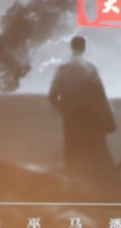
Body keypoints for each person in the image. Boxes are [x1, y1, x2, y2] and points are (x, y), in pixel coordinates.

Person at [49, 35, 116, 179]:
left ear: (71, 47)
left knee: (71, 151)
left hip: (71, 117)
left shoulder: (63, 69)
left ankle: (70, 182)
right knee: (91, 152)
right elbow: (100, 95)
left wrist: (64, 110)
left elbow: (53, 96)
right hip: (89, 118)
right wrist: (107, 117)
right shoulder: (90, 69)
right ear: (84, 48)